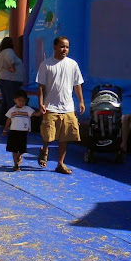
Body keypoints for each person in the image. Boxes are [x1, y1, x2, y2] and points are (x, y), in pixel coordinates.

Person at [36, 36, 85, 174]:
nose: (65, 49)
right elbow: (41, 86)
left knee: (65, 136)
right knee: (48, 135)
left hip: (68, 107)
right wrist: (40, 102)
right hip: (51, 106)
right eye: (62, 46)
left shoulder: (73, 64)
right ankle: (44, 149)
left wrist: (80, 100)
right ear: (55, 47)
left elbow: (77, 84)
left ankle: (60, 163)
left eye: (67, 47)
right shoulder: (46, 65)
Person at [2, 89, 41, 171]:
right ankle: (15, 164)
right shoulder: (12, 110)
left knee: (22, 149)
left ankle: (19, 156)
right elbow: (8, 120)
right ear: (15, 100)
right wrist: (5, 130)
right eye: (19, 100)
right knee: (14, 149)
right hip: (13, 132)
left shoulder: (28, 109)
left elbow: (35, 114)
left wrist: (41, 111)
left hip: (23, 132)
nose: (21, 102)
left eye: (23, 101)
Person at [0, 37, 25, 120]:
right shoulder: (8, 51)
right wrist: (12, 68)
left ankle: (3, 121)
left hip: (1, 78)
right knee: (11, 100)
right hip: (11, 79)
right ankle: (12, 121)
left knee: (5, 100)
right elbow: (10, 60)